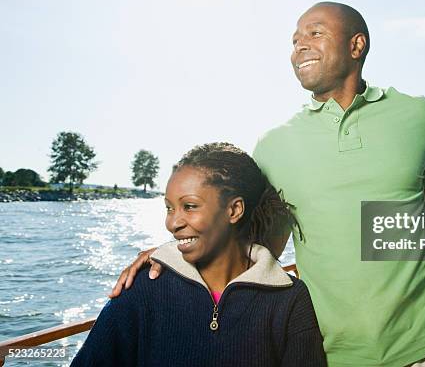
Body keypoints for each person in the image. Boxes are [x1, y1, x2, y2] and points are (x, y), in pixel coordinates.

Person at [110, 3, 425, 366]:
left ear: (356, 45)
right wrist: (174, 256)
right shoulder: (273, 145)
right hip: (329, 349)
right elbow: (254, 240)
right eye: (294, 40)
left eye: (314, 33)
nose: (299, 47)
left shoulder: (418, 115)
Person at [73, 143, 326, 367]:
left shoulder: (290, 300)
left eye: (189, 206)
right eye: (169, 208)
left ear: (234, 210)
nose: (172, 223)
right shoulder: (142, 287)